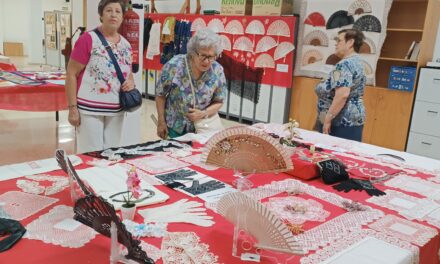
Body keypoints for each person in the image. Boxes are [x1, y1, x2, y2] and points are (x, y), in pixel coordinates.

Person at [65, 0, 136, 153]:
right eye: (109, 10)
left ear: (122, 17)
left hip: (117, 110)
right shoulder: (88, 39)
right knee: (91, 154)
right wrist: (72, 108)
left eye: (118, 11)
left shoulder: (126, 45)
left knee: (112, 154)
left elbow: (128, 74)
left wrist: (131, 83)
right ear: (101, 15)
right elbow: (71, 73)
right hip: (90, 109)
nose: (113, 14)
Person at [155, 28, 227, 139]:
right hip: (175, 128)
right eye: (203, 56)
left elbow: (219, 101)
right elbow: (160, 95)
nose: (207, 61)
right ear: (193, 53)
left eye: (211, 57)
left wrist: (203, 113)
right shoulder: (174, 65)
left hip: (203, 129)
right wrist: (161, 121)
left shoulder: (217, 71)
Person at [314, 28, 366, 142]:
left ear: (350, 42)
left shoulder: (344, 64)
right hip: (353, 119)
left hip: (341, 121)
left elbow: (342, 94)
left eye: (339, 41)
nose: (336, 44)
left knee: (334, 157)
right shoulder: (357, 61)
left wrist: (328, 119)